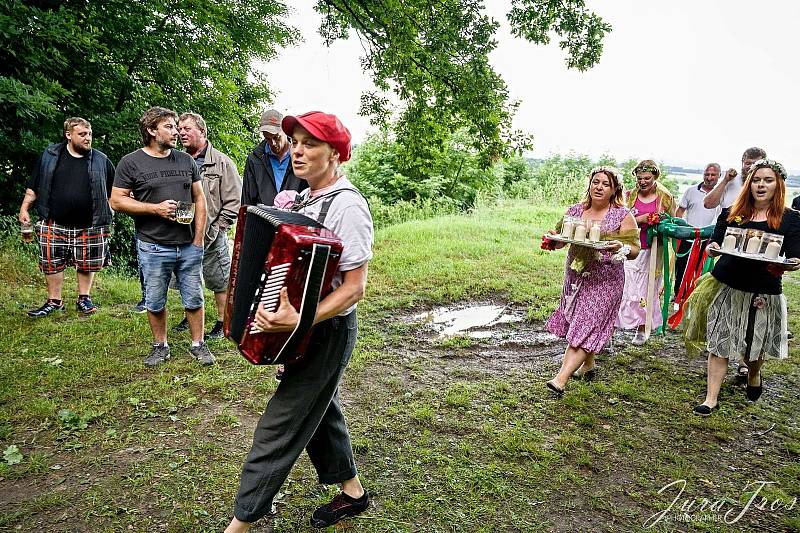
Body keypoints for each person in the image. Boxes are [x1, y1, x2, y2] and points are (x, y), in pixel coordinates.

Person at [225, 111, 373, 532]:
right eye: (295, 142)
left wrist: (299, 319)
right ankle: (353, 494)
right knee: (320, 410)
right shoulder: (303, 197)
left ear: (335, 153)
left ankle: (240, 524)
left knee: (279, 426)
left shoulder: (348, 205)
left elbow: (353, 289)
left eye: (310, 144)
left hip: (326, 331)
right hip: (303, 331)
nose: (298, 151)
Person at [684, 159, 800, 416]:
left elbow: (794, 256)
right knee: (719, 341)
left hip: (764, 290)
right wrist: (712, 248)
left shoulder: (791, 219)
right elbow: (714, 245)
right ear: (749, 183)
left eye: (768, 180)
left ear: (778, 185)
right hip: (728, 284)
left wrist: (791, 263)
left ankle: (754, 374)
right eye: (756, 180)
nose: (761, 185)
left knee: (754, 347)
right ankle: (711, 398)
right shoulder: (732, 212)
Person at [110, 107, 214, 367]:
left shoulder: (185, 160)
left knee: (194, 297)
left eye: (176, 126)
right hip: (153, 245)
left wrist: (198, 239)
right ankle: (160, 346)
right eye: (169, 126)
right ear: (151, 131)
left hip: (188, 244)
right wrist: (154, 209)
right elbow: (117, 201)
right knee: (155, 299)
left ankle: (198, 344)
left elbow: (199, 199)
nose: (176, 131)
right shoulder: (131, 163)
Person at [543, 167, 640, 395]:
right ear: (589, 185)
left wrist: (621, 247)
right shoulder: (576, 211)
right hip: (576, 276)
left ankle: (561, 379)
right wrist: (552, 240)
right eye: (595, 182)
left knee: (586, 324)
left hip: (606, 279)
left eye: (605, 184)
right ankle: (588, 365)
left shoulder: (623, 215)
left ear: (614, 189)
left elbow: (635, 250)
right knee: (581, 321)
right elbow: (562, 239)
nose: (599, 187)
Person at [18, 117, 115, 317]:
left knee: (87, 262)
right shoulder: (50, 155)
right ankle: (54, 301)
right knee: (52, 262)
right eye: (82, 134)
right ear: (68, 135)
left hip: (91, 223)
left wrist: (112, 208)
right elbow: (35, 185)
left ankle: (84, 298)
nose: (88, 138)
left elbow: (116, 190)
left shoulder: (101, 159)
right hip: (54, 221)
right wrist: (24, 208)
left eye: (89, 134)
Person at [172, 112, 242, 339]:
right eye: (179, 129)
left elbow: (235, 199)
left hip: (212, 233)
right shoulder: (176, 161)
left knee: (219, 278)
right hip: (182, 231)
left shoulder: (221, 162)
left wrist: (220, 226)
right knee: (186, 275)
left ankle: (223, 323)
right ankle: (190, 315)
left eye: (187, 129)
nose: (181, 132)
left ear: (202, 132)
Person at [617, 160, 676, 344]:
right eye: (639, 178)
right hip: (631, 247)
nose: (642, 182)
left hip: (652, 251)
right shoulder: (629, 195)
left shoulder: (665, 197)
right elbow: (619, 219)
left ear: (655, 177)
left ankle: (642, 328)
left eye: (647, 179)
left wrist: (662, 222)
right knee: (624, 285)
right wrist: (641, 219)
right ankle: (614, 324)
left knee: (646, 288)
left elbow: (674, 221)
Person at [241, 108, 307, 207]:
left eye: (277, 137)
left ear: (285, 132)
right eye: (268, 138)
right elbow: (247, 199)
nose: (273, 143)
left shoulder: (300, 156)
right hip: (262, 220)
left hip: (294, 219)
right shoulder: (254, 160)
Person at [673, 163, 722, 296]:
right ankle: (678, 295)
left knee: (703, 269)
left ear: (719, 176)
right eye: (707, 174)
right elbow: (680, 211)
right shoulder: (691, 190)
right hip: (688, 236)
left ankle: (697, 295)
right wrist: (680, 228)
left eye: (713, 175)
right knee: (681, 267)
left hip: (709, 239)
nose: (709, 177)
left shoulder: (722, 194)